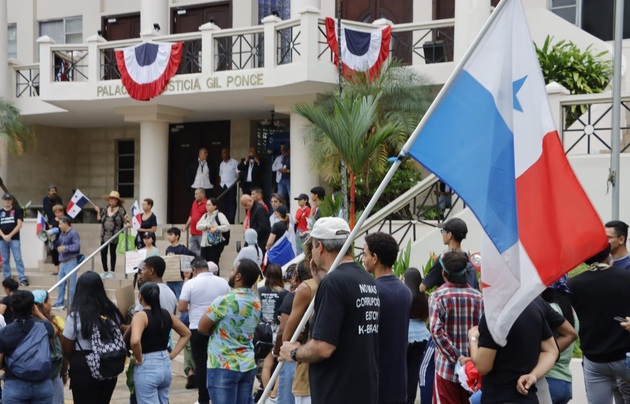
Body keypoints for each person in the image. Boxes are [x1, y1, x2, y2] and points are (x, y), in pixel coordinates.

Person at [280, 217, 380, 404]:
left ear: (320, 247)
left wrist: (294, 352)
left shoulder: (334, 283)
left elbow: (324, 347)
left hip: (337, 392)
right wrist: (320, 281)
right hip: (362, 389)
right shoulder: (366, 279)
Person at [568, 245, 630, 403]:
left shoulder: (573, 284)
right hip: (625, 354)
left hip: (594, 357)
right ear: (609, 253)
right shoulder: (626, 278)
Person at [469, 299, 558, 403]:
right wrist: (533, 375)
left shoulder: (494, 314)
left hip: (499, 397)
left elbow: (483, 366)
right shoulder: (533, 307)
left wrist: (473, 339)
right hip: (528, 397)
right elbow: (551, 351)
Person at [198, 258, 262, 404]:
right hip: (247, 363)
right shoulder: (256, 302)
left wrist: (216, 332)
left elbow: (202, 327)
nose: (231, 273)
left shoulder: (225, 301)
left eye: (233, 270)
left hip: (223, 364)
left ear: (238, 276)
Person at [363, 232, 412, 404]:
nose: (363, 258)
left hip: (377, 381)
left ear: (374, 258)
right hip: (398, 380)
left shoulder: (372, 291)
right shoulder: (405, 291)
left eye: (364, 254)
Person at [62, 271, 125, 404]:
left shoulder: (75, 317)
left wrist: (64, 370)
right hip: (109, 364)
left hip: (83, 367)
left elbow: (66, 349)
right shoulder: (113, 312)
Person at [178, 257, 231, 404]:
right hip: (218, 328)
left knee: (201, 364)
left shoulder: (190, 283)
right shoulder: (222, 282)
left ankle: (203, 398)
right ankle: (219, 396)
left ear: (194, 269)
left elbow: (181, 307)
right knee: (219, 362)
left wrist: (193, 306)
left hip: (197, 328)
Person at [130, 282, 191, 404]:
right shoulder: (166, 313)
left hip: (147, 365)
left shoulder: (141, 316)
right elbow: (186, 333)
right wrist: (172, 354)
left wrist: (139, 358)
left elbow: (135, 341)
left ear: (140, 297)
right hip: (165, 363)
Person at [0, 290, 55, 403]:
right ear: (33, 307)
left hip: (15, 384)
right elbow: (55, 331)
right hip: (43, 385)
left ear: (12, 308)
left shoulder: (4, 332)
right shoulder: (43, 327)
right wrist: (38, 314)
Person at [272, 262, 311, 404]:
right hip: (307, 354)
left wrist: (277, 352)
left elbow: (283, 331)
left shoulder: (293, 296)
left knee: (287, 398)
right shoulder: (319, 291)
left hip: (292, 354)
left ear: (296, 277)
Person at [420, 217, 479, 292]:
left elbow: (422, 288)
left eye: (443, 231)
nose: (442, 234)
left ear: (449, 235)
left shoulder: (443, 260)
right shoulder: (468, 259)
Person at [258, 264, 289, 399]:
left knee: (266, 365)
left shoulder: (259, 290)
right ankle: (275, 394)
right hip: (277, 330)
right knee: (280, 364)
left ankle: (266, 391)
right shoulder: (284, 293)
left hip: (263, 330)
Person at [33, 289, 67, 404]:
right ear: (44, 303)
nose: (51, 304)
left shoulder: (28, 323)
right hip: (54, 372)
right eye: (50, 300)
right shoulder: (56, 321)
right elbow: (64, 347)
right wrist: (64, 371)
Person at [403, 268, 430, 404]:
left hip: (408, 336)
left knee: (405, 373)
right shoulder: (423, 298)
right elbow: (426, 319)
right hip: (423, 336)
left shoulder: (405, 296)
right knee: (415, 373)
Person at [94, 190, 127, 279]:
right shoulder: (105, 209)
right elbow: (99, 220)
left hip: (114, 235)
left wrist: (128, 221)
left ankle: (112, 271)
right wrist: (97, 211)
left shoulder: (121, 210)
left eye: (113, 199)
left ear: (117, 200)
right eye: (110, 199)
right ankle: (105, 270)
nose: (111, 201)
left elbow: (126, 221)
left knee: (112, 252)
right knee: (103, 252)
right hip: (104, 235)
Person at [51, 216, 81, 310]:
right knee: (60, 283)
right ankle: (59, 302)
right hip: (62, 262)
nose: (59, 226)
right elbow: (55, 247)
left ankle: (72, 303)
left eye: (60, 223)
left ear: (66, 223)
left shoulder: (73, 233)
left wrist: (65, 248)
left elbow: (77, 246)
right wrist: (53, 240)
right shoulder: (61, 234)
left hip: (71, 261)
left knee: (72, 285)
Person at [0, 193, 29, 286]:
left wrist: (9, 235)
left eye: (9, 199)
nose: (7, 201)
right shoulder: (0, 212)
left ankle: (22, 278)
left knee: (18, 258)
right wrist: (4, 236)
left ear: (12, 200)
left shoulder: (17, 210)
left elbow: (19, 225)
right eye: (6, 199)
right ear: (3, 200)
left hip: (14, 239)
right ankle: (7, 278)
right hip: (2, 239)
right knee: (5, 260)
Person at [197, 197, 230, 272]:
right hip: (204, 243)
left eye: (209, 205)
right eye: (206, 205)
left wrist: (216, 228)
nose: (207, 207)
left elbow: (227, 226)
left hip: (216, 243)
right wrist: (207, 226)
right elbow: (198, 226)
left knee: (214, 263)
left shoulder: (219, 215)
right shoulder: (205, 215)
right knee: (204, 263)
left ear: (215, 206)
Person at [164, 227, 196, 299]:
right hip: (170, 278)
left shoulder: (183, 249)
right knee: (170, 299)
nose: (168, 237)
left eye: (171, 234)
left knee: (180, 298)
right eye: (168, 235)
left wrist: (186, 277)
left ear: (177, 236)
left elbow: (186, 264)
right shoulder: (168, 249)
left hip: (180, 279)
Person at [183, 188, 208, 257]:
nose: (195, 196)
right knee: (191, 250)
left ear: (202, 194)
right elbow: (191, 215)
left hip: (202, 233)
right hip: (193, 232)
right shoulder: (194, 202)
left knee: (202, 250)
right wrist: (186, 225)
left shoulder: (208, 203)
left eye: (196, 194)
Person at [219, 147, 239, 224]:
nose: (223, 155)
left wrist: (236, 181)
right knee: (224, 203)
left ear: (228, 153)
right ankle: (225, 220)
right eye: (222, 153)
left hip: (231, 185)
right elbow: (220, 175)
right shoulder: (221, 164)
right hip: (223, 185)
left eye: (225, 153)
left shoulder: (234, 162)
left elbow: (238, 174)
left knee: (232, 202)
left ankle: (231, 219)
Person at [49, 204, 65, 276]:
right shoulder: (52, 220)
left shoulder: (65, 220)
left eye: (59, 212)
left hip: (62, 239)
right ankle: (56, 269)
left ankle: (62, 269)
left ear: (62, 212)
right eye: (56, 212)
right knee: (54, 254)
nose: (58, 214)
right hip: (54, 239)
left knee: (61, 254)